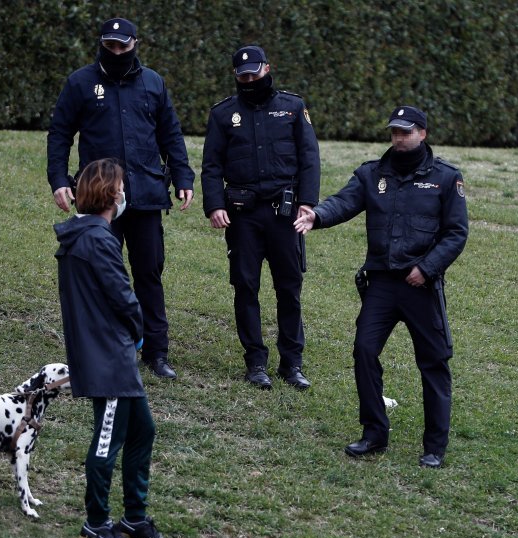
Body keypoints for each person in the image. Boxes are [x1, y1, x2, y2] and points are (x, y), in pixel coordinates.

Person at [294, 106, 469, 468]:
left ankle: (434, 446)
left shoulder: (446, 178)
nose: (399, 138)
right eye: (394, 132)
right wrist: (317, 215)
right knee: (364, 350)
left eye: (406, 132)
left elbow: (456, 233)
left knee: (434, 363)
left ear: (423, 133)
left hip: (422, 285)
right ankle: (374, 432)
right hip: (382, 284)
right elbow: (344, 202)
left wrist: (427, 267)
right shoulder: (372, 174)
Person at [47, 17, 195, 380]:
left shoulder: (153, 83)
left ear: (134, 44)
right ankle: (106, 350)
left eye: (122, 46)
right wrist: (58, 179)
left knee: (148, 274)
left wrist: (183, 176)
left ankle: (156, 354)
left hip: (145, 195)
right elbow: (60, 133)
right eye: (109, 45)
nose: (115, 51)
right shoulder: (80, 82)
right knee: (101, 275)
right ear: (101, 43)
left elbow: (171, 134)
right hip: (98, 200)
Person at [54, 158, 172, 538]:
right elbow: (124, 298)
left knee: (142, 431)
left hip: (110, 355)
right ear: (111, 193)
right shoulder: (99, 239)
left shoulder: (81, 236)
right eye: (121, 186)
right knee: (106, 443)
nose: (125, 193)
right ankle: (96, 521)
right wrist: (138, 334)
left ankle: (134, 517)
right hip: (109, 359)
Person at [201, 46, 320, 391]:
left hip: (284, 215)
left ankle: (291, 363)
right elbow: (211, 165)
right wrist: (214, 205)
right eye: (243, 76)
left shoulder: (292, 108)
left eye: (255, 73)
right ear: (236, 76)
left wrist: (308, 203)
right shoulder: (224, 114)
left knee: (289, 289)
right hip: (243, 216)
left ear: (268, 68)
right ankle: (255, 362)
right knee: (245, 286)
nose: (250, 80)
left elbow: (309, 158)